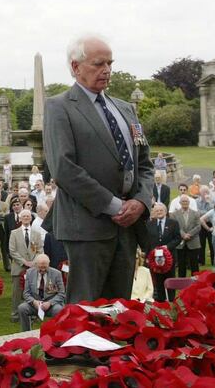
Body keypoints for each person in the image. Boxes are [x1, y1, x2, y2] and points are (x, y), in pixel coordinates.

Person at [44, 35, 154, 303]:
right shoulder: (59, 107)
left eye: (110, 63)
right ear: (75, 66)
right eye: (98, 63)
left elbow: (145, 164)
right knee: (86, 309)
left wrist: (140, 202)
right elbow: (63, 168)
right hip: (87, 226)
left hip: (128, 227)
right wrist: (115, 206)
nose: (106, 70)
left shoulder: (125, 109)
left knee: (120, 308)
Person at [9, 210, 43, 322]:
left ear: (31, 218)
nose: (26, 218)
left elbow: (40, 250)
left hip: (33, 267)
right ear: (20, 218)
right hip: (18, 267)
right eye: (24, 216)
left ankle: (33, 314)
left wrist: (34, 262)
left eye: (28, 216)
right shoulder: (14, 233)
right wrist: (24, 262)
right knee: (16, 292)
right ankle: (15, 315)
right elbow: (12, 251)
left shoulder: (37, 234)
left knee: (33, 292)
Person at [18, 254, 65, 331]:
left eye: (45, 267)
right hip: (35, 304)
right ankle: (26, 332)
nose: (43, 270)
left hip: (51, 305)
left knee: (58, 309)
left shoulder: (57, 274)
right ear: (36, 265)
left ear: (48, 264)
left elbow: (62, 293)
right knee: (22, 308)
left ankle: (57, 332)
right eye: (40, 267)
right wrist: (34, 302)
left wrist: (50, 303)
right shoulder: (29, 273)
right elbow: (26, 293)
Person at [145, 203, 180, 301]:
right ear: (154, 213)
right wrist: (147, 256)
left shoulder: (173, 223)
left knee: (170, 279)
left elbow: (178, 238)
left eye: (161, 210)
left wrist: (167, 246)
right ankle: (160, 301)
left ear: (165, 211)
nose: (159, 212)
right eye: (157, 211)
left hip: (169, 257)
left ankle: (171, 300)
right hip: (155, 258)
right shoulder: (149, 224)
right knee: (158, 280)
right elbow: (147, 241)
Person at [172, 195, 202, 277]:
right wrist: (183, 235)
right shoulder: (174, 214)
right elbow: (175, 226)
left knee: (194, 263)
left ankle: (195, 282)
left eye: (186, 201)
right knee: (181, 264)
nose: (185, 203)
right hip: (181, 243)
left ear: (189, 202)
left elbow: (198, 226)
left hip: (193, 241)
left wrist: (189, 234)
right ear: (180, 203)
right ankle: (182, 281)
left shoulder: (195, 213)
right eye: (183, 201)